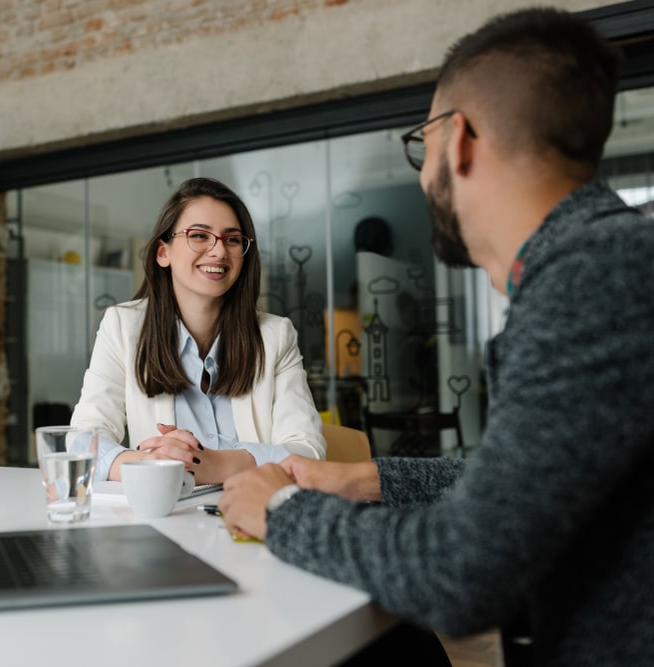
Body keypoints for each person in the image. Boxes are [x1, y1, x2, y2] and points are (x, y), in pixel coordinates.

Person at [219, 7, 654, 666]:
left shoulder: (594, 280)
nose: (423, 175)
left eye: (420, 146)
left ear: (458, 140)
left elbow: (460, 574)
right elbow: (516, 488)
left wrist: (280, 510)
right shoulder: (602, 264)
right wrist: (371, 480)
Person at [71, 177, 324, 484]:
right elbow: (83, 440)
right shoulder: (123, 327)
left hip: (254, 514)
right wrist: (154, 463)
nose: (218, 251)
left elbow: (308, 451)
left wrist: (216, 463)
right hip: (167, 515)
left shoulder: (276, 337)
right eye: (200, 236)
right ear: (163, 253)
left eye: (232, 240)